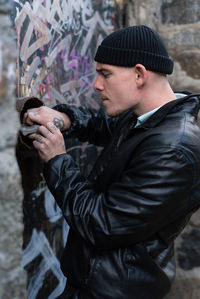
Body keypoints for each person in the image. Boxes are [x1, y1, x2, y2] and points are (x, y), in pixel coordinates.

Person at [23, 25, 200, 299]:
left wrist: (57, 160)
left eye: (106, 74)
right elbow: (105, 126)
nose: (96, 84)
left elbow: (103, 224)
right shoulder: (150, 117)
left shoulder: (174, 149)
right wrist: (66, 120)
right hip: (95, 283)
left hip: (114, 291)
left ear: (139, 74)